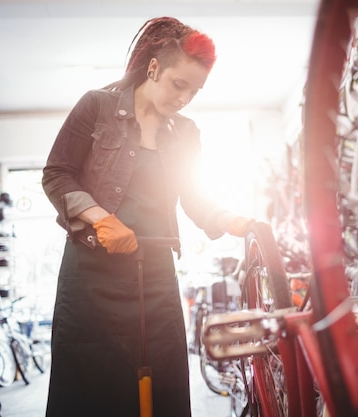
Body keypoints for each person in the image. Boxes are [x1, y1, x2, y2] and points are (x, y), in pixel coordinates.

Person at [42, 16, 253, 417]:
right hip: (92, 276)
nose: (185, 98)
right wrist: (101, 218)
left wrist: (231, 219)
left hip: (156, 276)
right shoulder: (96, 106)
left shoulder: (187, 132)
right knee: (91, 385)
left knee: (164, 382)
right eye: (179, 84)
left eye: (195, 90)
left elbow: (195, 197)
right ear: (154, 68)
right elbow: (56, 174)